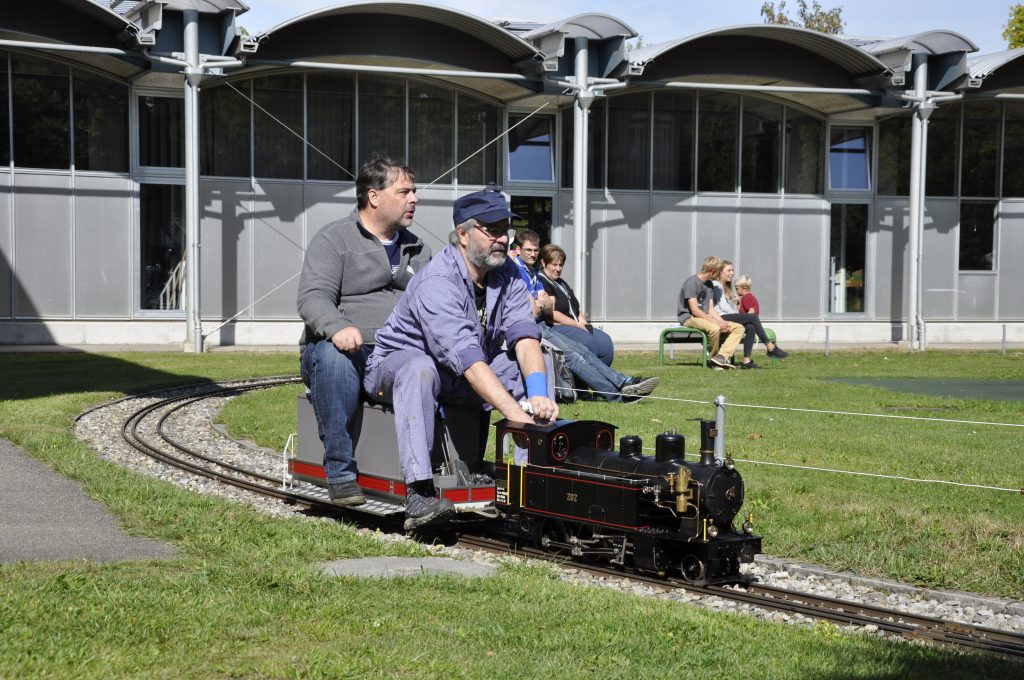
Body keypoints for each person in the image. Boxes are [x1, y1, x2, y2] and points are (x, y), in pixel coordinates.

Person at [363, 190, 559, 529]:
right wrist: (514, 415)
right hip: (396, 367)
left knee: (531, 363)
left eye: (505, 230)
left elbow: (524, 335)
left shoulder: (508, 273)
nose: (502, 239)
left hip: (455, 371)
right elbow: (467, 359)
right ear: (463, 235)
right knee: (419, 368)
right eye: (492, 230)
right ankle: (419, 492)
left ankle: (529, 481)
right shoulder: (438, 281)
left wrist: (538, 394)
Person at [296, 156, 430, 506]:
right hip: (342, 350)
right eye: (404, 192)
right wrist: (337, 327)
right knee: (333, 358)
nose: (414, 198)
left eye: (414, 191)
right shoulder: (333, 239)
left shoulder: (419, 249)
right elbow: (313, 297)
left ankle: (425, 480)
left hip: (395, 352)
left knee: (429, 367)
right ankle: (340, 474)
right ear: (374, 197)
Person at [512, 231, 659, 401]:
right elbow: (540, 310)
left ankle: (623, 382)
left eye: (535, 250)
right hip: (530, 327)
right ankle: (617, 396)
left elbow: (544, 305)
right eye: (528, 250)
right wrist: (540, 304)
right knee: (574, 357)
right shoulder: (517, 272)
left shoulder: (533, 274)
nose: (532, 254)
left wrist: (540, 304)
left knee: (582, 350)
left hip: (540, 325)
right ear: (518, 249)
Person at [537, 244, 616, 367]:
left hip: (576, 324)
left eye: (561, 265)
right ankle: (582, 383)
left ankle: (602, 381)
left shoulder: (561, 283)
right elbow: (552, 313)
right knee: (588, 342)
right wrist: (577, 325)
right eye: (554, 264)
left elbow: (575, 308)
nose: (558, 269)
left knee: (605, 342)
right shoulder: (542, 281)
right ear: (543, 263)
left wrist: (584, 324)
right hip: (556, 326)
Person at [713, 261, 788, 369]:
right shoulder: (716, 285)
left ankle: (746, 361)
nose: (732, 273)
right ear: (720, 272)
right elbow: (723, 307)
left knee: (751, 327)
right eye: (729, 270)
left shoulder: (723, 286)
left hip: (724, 316)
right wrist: (739, 316)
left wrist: (739, 315)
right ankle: (770, 347)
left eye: (732, 270)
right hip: (719, 317)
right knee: (752, 317)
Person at [677, 256, 745, 370]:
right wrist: (717, 323)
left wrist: (722, 322)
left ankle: (721, 357)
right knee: (714, 328)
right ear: (713, 271)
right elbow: (694, 310)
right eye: (718, 271)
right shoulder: (691, 283)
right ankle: (712, 359)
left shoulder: (709, 284)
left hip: (704, 316)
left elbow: (711, 309)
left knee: (739, 328)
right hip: (689, 318)